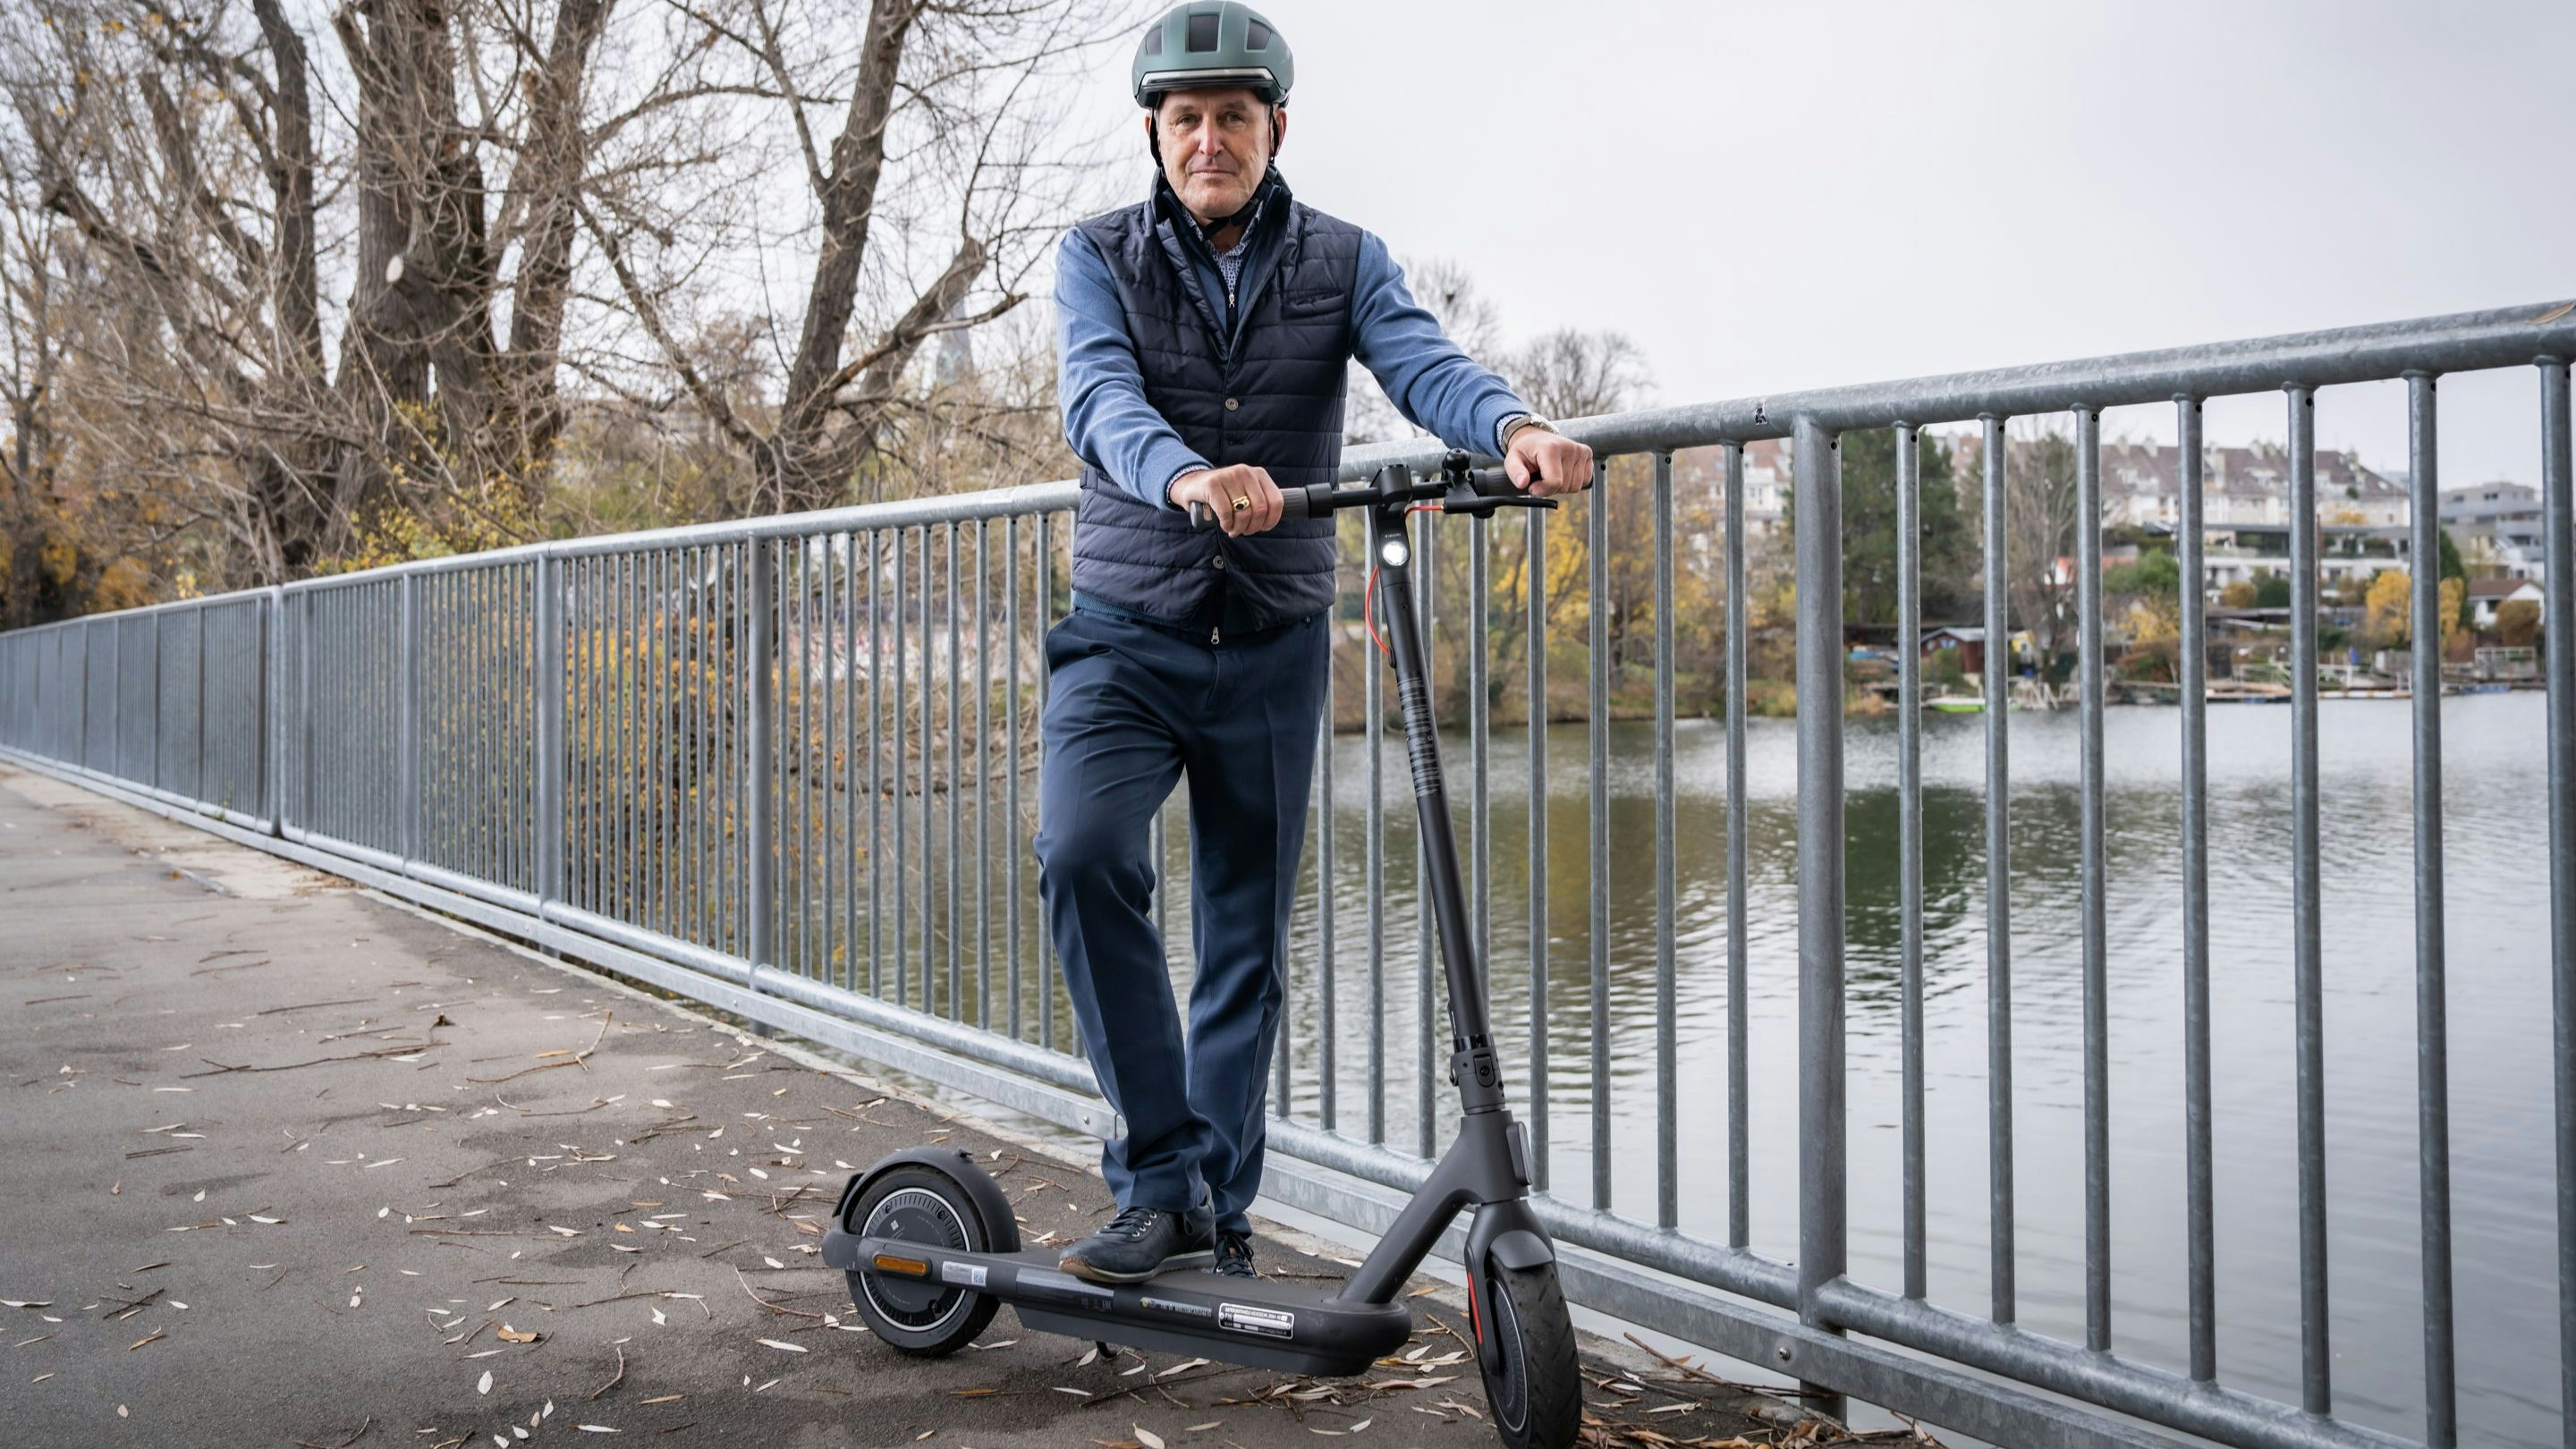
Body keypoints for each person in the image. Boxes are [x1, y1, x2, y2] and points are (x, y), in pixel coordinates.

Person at [1039, 0, 1593, 1285]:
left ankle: (1215, 1214)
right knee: (1082, 856)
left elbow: (1422, 362)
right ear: (1155, 134)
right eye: (1187, 119)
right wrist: (1187, 475)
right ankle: (1160, 1181)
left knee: (1244, 936)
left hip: (1275, 640)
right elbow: (1097, 397)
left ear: (1275, 129)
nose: (1209, 141)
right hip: (1125, 637)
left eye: (1234, 117)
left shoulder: (1343, 260)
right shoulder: (1098, 255)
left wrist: (1513, 428)